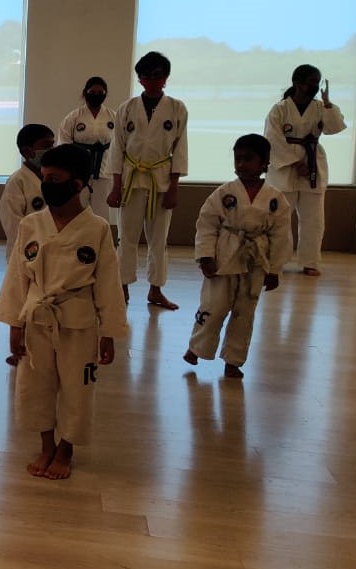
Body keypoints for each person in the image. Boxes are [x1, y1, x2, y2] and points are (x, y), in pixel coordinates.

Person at [0, 144, 127, 480]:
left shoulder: (96, 228)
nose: (46, 185)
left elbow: (108, 283)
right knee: (35, 384)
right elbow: (17, 277)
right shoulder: (31, 224)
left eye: (53, 179)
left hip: (78, 320)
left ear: (78, 183)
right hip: (37, 316)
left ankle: (66, 448)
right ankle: (46, 445)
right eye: (44, 178)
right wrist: (14, 324)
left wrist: (109, 332)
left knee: (77, 388)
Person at [184, 134, 293, 378]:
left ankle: (233, 360)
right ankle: (196, 347)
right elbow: (206, 225)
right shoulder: (224, 193)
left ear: (264, 163)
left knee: (245, 313)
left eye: (248, 159)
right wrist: (205, 257)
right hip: (224, 257)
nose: (241, 164)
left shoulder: (276, 199)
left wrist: (274, 270)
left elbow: (281, 236)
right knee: (214, 306)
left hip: (256, 261)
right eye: (238, 159)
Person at [107, 51, 188, 309]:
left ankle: (156, 289)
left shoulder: (177, 108)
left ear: (165, 78)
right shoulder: (127, 108)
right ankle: (122, 287)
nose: (152, 81)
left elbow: (180, 149)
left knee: (159, 239)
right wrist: (116, 186)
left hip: (161, 181)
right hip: (131, 180)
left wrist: (174, 188)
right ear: (140, 79)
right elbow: (117, 148)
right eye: (146, 76)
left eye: (157, 75)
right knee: (126, 237)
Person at [264, 64, 346, 276]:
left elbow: (335, 128)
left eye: (317, 82)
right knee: (280, 217)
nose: (315, 86)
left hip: (313, 164)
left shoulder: (320, 107)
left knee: (314, 219)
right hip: (284, 169)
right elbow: (272, 139)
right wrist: (295, 162)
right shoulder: (280, 109)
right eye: (311, 82)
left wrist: (328, 104)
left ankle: (311, 262)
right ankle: (277, 261)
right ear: (297, 83)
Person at [58, 76, 119, 241]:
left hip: (104, 170)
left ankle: (100, 244)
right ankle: (74, 243)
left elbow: (121, 146)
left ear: (105, 94)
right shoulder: (74, 117)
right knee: (77, 211)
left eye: (100, 93)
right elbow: (63, 145)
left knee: (102, 213)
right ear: (85, 93)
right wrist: (68, 171)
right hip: (78, 172)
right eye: (92, 92)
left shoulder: (113, 117)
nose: (96, 95)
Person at [0, 124, 54, 255]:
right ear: (27, 152)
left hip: (53, 248)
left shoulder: (55, 177)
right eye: (46, 146)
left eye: (52, 145)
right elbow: (12, 223)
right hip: (25, 250)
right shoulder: (17, 181)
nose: (51, 150)